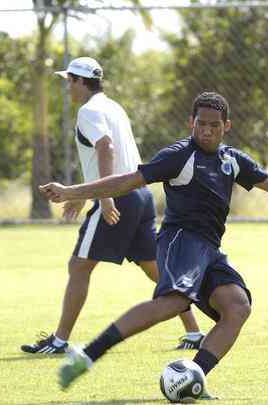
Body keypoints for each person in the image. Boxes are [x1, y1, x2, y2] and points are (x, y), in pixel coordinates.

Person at [39, 91, 268, 396]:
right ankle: (88, 354)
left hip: (209, 249)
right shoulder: (179, 156)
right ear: (191, 123)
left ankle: (192, 375)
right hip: (181, 241)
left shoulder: (232, 161)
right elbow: (127, 180)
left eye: (214, 125)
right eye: (201, 124)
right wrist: (71, 191)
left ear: (226, 127)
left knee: (237, 307)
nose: (207, 131)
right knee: (174, 302)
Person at [21, 57, 205, 355]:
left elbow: (105, 148)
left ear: (81, 81)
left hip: (118, 196)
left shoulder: (88, 111)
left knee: (79, 266)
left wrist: (104, 198)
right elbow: (114, 156)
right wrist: (83, 196)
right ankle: (195, 333)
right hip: (139, 194)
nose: (67, 86)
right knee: (156, 269)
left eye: (69, 80)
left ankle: (59, 341)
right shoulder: (112, 106)